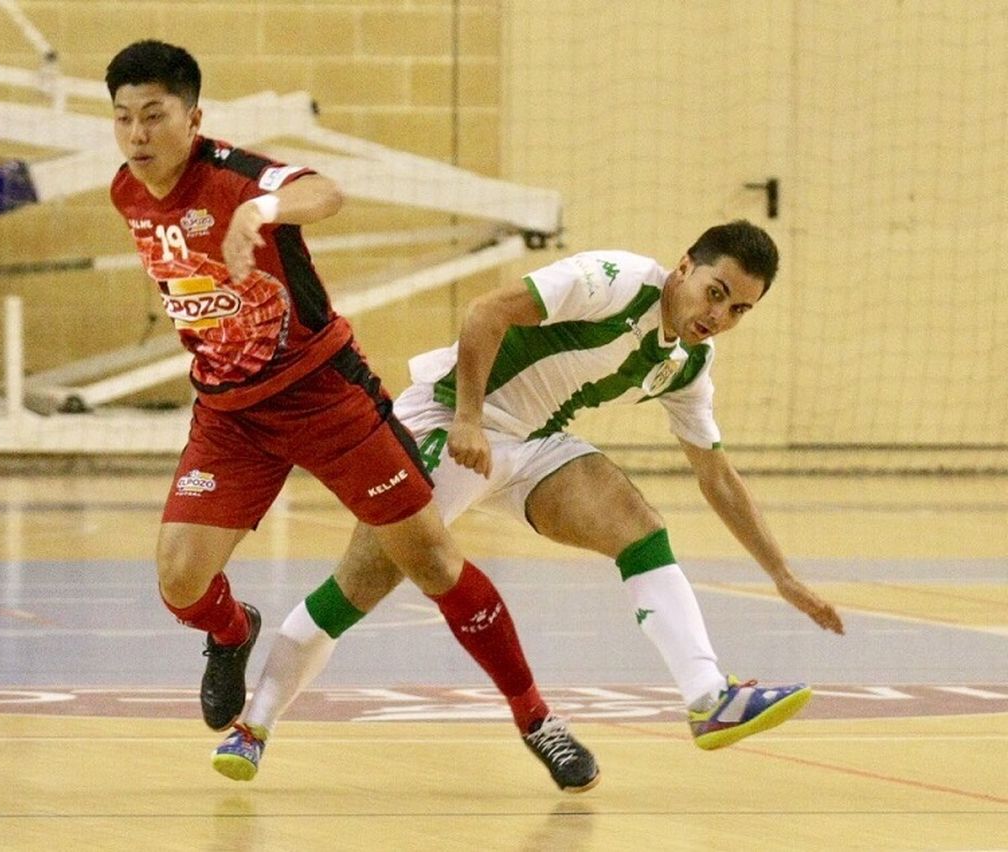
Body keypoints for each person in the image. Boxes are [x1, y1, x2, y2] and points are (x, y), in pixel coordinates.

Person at [106, 40, 598, 792]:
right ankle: (233, 634)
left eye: (153, 115)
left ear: (193, 117)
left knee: (430, 558)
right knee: (178, 579)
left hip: (322, 394)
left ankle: (537, 718)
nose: (137, 134)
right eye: (122, 119)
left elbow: (326, 191)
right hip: (229, 415)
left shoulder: (237, 178)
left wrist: (260, 214)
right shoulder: (127, 193)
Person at [214, 220, 848, 781]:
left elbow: (717, 476)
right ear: (684, 267)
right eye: (716, 293)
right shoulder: (616, 280)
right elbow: (486, 312)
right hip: (445, 420)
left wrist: (782, 575)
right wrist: (466, 418)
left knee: (640, 528)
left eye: (739, 310)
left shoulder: (687, 363)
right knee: (363, 580)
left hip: (532, 442)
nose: (720, 316)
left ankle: (710, 698)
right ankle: (256, 723)